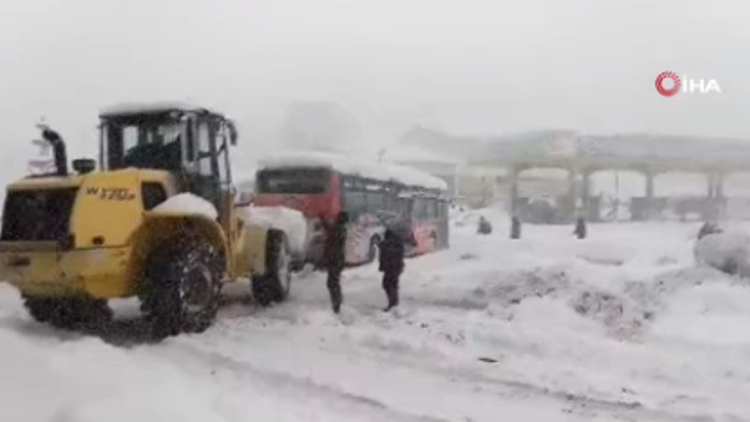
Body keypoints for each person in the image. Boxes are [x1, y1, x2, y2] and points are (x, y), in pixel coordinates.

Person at [320, 211, 349, 314]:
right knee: (334, 282)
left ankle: (336, 305)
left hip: (335, 260)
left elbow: (329, 229)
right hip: (337, 259)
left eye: (337, 217)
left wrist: (322, 218)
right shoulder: (342, 228)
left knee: (332, 283)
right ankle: (338, 300)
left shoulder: (338, 229)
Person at [379, 226, 406, 312]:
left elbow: (385, 256)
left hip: (392, 267)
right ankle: (394, 302)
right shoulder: (397, 243)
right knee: (392, 284)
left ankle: (393, 303)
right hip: (395, 267)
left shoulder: (387, 244)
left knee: (388, 284)